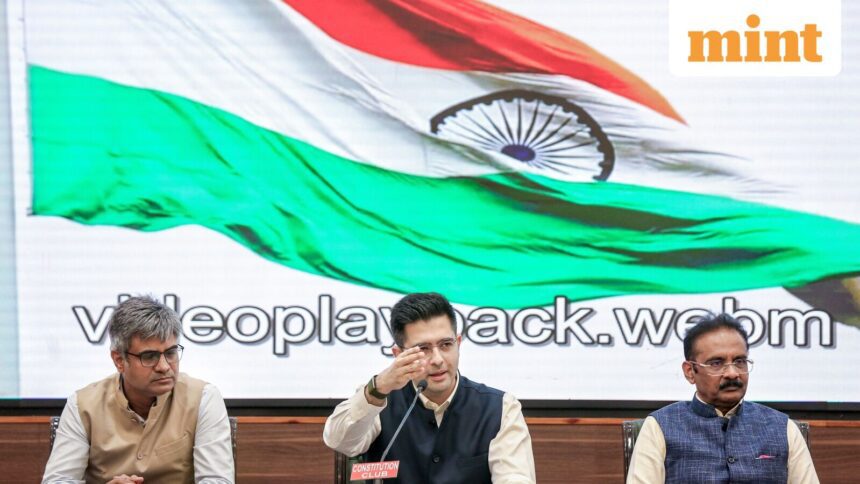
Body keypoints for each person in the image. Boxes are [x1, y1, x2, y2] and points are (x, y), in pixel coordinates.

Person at [324, 292, 536, 483]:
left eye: (446, 345)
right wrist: (380, 386)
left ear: (458, 343)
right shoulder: (380, 399)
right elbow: (340, 441)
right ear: (399, 354)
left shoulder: (500, 408)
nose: (437, 360)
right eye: (423, 348)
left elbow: (515, 478)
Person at [42, 295, 234, 484]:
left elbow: (217, 480)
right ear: (119, 360)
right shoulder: (82, 405)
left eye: (171, 353)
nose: (164, 366)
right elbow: (58, 480)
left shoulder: (203, 398)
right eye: (149, 356)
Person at [627, 313, 819, 484]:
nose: (732, 373)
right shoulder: (659, 426)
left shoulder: (782, 427)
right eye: (716, 363)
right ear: (690, 371)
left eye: (740, 361)